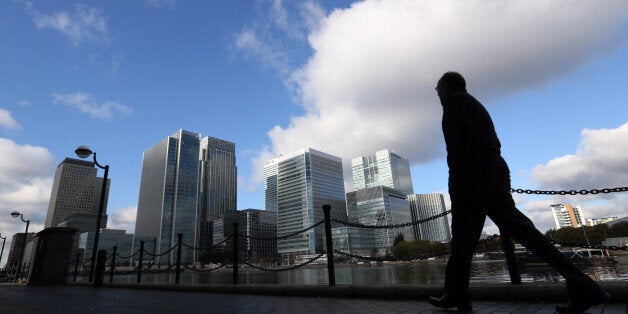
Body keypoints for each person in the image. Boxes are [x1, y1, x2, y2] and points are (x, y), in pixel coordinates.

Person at [427, 72, 611, 312]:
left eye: (438, 87)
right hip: (494, 168)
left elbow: (461, 140)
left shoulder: (454, 101)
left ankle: (455, 294)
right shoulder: (477, 105)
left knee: (463, 237)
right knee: (525, 232)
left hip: (472, 175)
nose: (436, 91)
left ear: (448, 86)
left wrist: (459, 175)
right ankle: (585, 287)